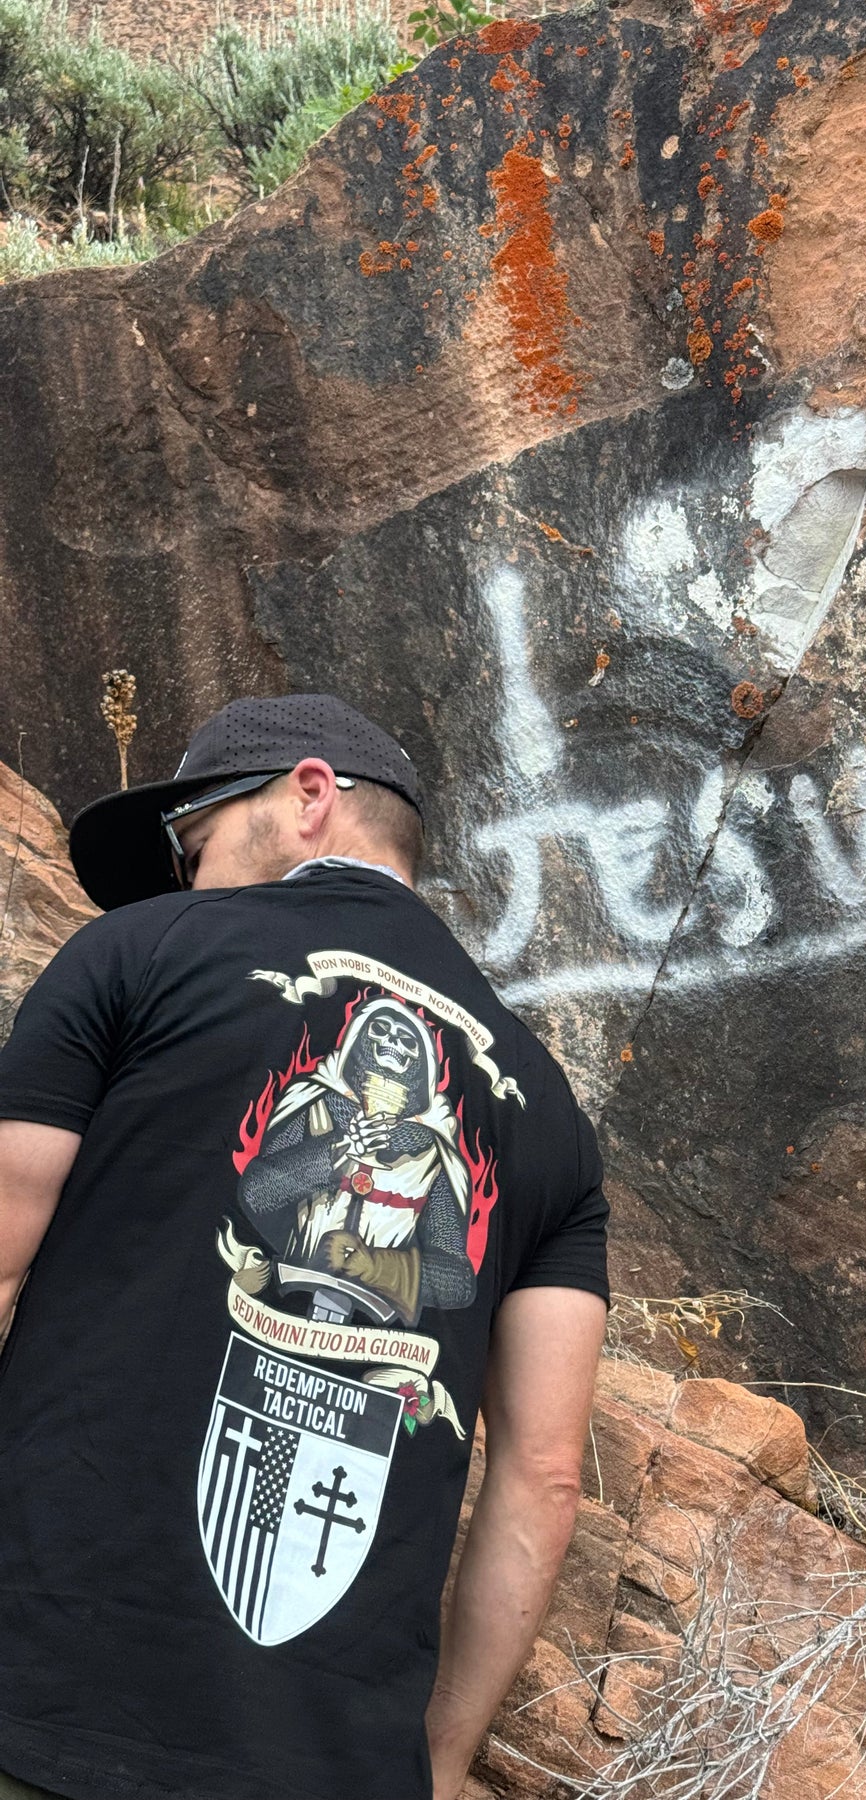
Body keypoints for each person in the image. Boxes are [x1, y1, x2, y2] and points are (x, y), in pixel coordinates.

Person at [0, 694, 609, 1800]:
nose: (186, 885)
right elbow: (543, 1477)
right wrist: (437, 1763)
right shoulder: (550, 1114)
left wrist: (394, 1204)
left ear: (308, 797)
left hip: (41, 1699)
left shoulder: (133, 954)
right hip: (328, 1764)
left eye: (193, 848)